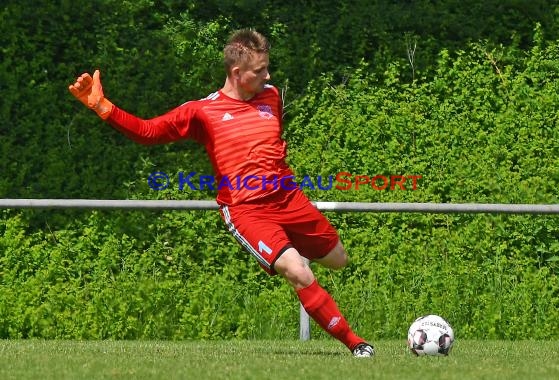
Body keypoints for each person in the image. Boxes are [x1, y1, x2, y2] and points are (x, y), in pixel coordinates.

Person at [68, 28, 374, 358]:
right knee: (298, 272)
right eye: (260, 71)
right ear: (237, 73)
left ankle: (278, 250)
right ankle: (356, 345)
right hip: (247, 210)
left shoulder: (271, 96)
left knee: (338, 259)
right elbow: (149, 131)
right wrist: (102, 107)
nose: (268, 75)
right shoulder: (202, 112)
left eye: (267, 68)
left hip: (287, 198)